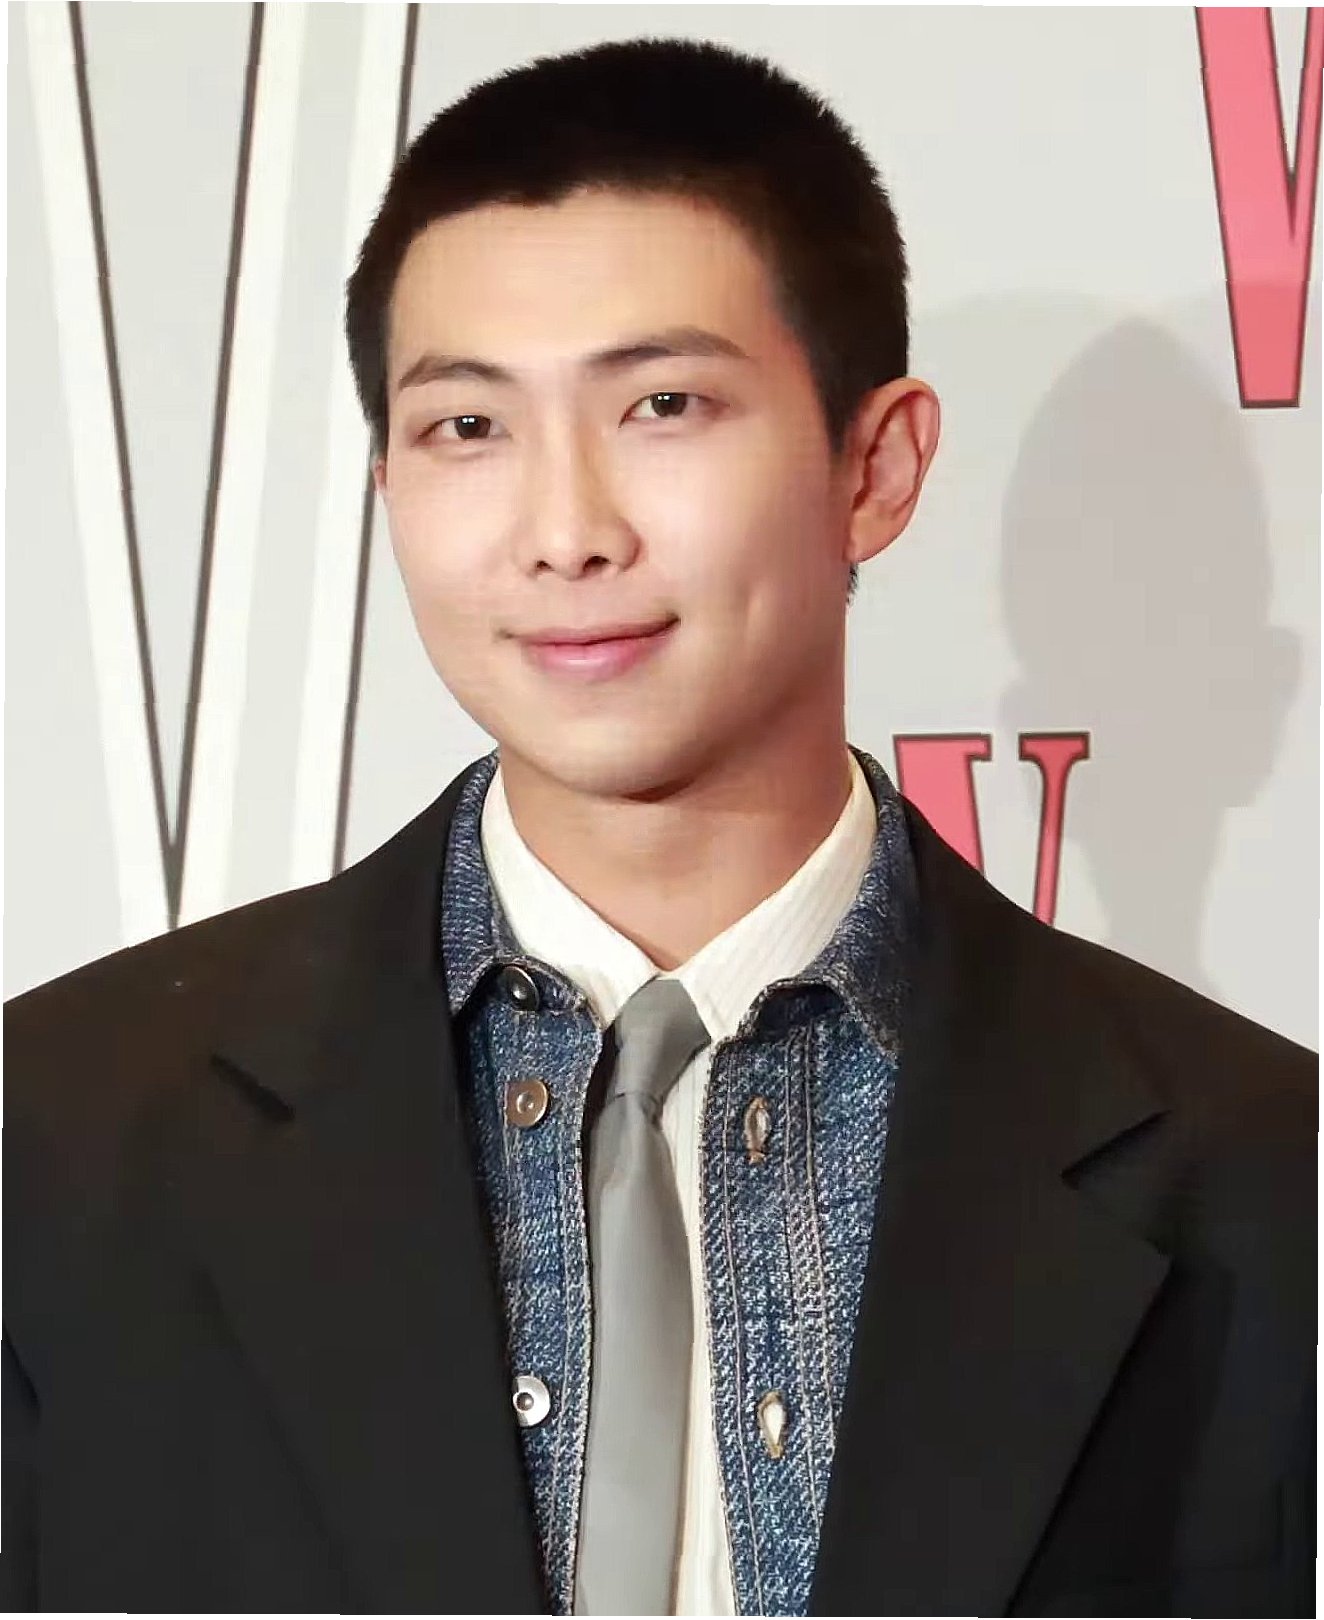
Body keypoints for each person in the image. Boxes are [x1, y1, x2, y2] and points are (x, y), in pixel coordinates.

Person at [1, 34, 1315, 1619]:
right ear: (389, 485)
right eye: (468, 427)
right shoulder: (57, 1139)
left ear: (876, 467)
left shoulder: (1265, 1180)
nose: (566, 532)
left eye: (664, 404)